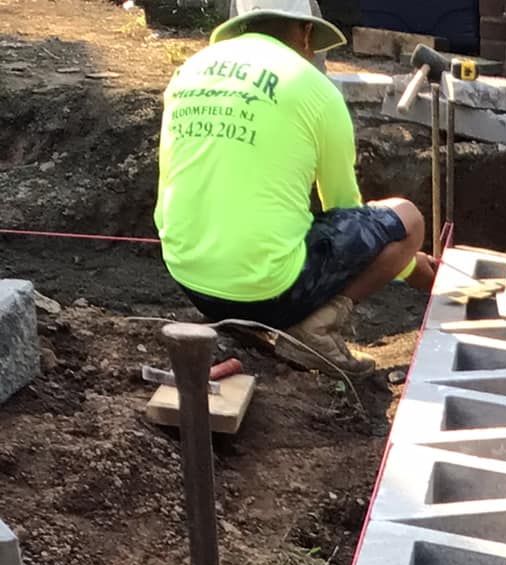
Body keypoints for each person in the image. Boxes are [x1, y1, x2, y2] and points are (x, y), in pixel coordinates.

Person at [154, 0, 435, 366]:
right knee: (407, 218)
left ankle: (254, 313)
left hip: (191, 281)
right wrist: (410, 265)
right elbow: (344, 209)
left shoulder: (188, 71)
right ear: (304, 32)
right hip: (270, 293)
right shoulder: (314, 88)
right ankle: (314, 329)